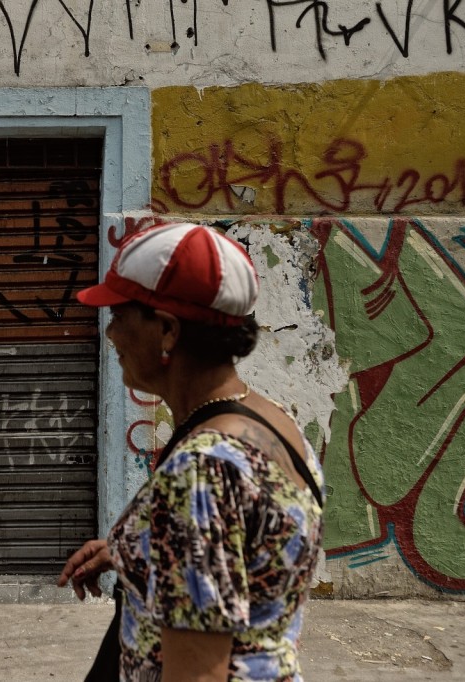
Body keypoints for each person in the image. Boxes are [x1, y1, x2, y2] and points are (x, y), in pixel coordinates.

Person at [57, 223, 323, 681]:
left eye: (119, 316)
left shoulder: (202, 472)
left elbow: (198, 675)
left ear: (166, 331)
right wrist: (137, 548)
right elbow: (250, 548)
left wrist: (176, 532)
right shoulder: (270, 420)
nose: (111, 335)